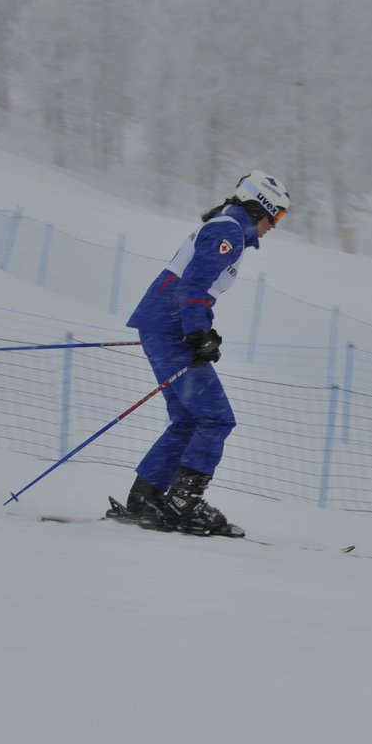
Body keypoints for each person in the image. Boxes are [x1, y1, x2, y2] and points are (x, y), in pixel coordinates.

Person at [111, 171, 291, 538]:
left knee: (188, 420)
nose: (275, 226)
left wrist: (202, 328)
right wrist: (196, 333)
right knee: (215, 419)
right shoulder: (228, 232)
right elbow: (192, 284)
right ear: (262, 207)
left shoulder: (226, 228)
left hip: (164, 324)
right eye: (278, 216)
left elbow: (196, 286)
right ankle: (184, 504)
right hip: (172, 327)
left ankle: (145, 498)